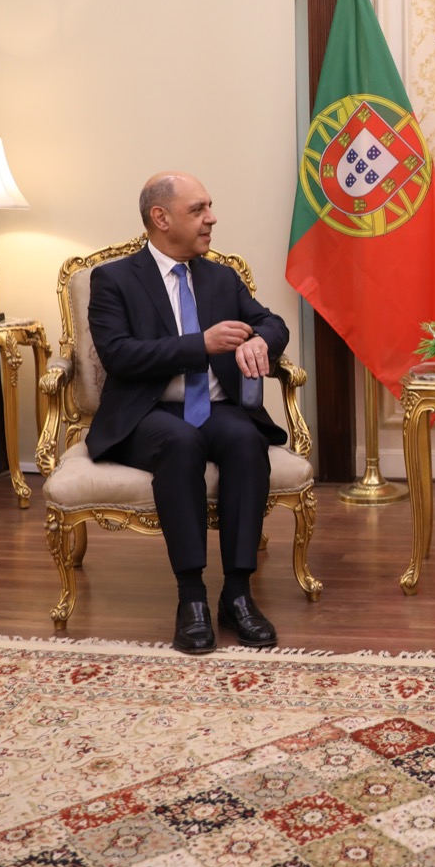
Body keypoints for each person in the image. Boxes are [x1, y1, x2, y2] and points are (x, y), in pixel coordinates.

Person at [86, 171, 290, 654]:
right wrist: (200, 344)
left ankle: (237, 594)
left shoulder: (220, 277)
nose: (211, 218)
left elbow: (272, 322)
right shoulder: (114, 279)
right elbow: (119, 355)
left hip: (214, 407)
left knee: (246, 439)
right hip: (146, 411)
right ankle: (191, 597)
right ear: (161, 218)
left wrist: (260, 341)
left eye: (209, 207)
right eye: (198, 209)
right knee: (180, 442)